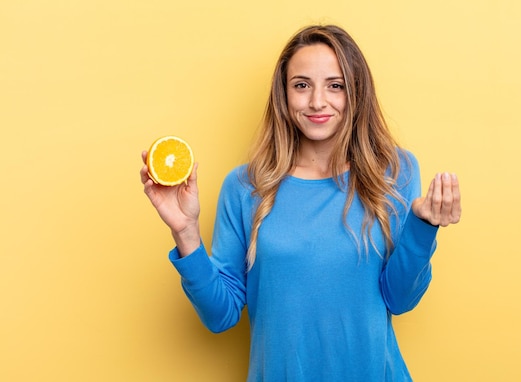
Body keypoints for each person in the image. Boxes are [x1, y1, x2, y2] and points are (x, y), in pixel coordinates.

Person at [140, 24, 461, 382]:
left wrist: (423, 228)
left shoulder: (394, 172)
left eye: (335, 85)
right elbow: (221, 315)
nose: (317, 102)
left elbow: (400, 299)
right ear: (284, 94)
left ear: (356, 92)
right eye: (302, 85)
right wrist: (185, 233)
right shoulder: (246, 187)